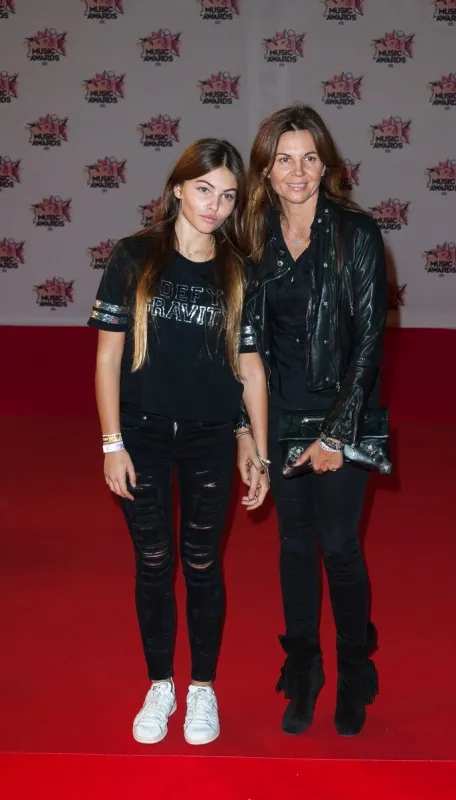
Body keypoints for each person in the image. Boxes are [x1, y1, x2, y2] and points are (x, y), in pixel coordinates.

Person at [88, 139, 269, 746]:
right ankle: (160, 682)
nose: (215, 206)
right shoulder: (134, 256)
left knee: (200, 561)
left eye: (227, 195)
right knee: (153, 560)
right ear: (176, 188)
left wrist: (256, 444)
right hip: (140, 434)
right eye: (203, 190)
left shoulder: (239, 269)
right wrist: (112, 442)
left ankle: (202, 690)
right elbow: (108, 358)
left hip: (210, 437)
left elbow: (248, 367)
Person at [237, 105, 387, 736]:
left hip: (340, 414)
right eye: (283, 159)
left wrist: (335, 435)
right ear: (266, 170)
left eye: (308, 157)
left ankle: (356, 668)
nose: (296, 171)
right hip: (277, 413)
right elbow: (238, 341)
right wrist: (244, 430)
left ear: (326, 164)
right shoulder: (249, 235)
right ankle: (304, 671)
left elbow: (370, 343)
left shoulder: (357, 233)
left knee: (339, 547)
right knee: (293, 548)